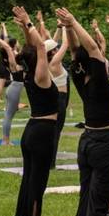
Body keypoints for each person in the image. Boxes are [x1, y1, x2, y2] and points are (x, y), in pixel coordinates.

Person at [56, 7, 109, 216]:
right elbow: (92, 48)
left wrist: (69, 28)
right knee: (99, 200)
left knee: (86, 196)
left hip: (88, 142)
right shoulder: (99, 80)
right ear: (94, 63)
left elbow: (77, 51)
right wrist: (72, 22)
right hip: (105, 144)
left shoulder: (78, 75)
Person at [12, 6, 58, 216]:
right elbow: (39, 46)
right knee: (38, 181)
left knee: (28, 179)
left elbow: (33, 47)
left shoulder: (29, 74)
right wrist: (29, 22)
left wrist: (24, 27)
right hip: (42, 132)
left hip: (31, 131)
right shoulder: (41, 76)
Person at [45, 27, 70, 167]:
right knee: (56, 132)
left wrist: (59, 28)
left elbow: (52, 42)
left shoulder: (48, 60)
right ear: (53, 52)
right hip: (60, 98)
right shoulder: (55, 62)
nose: (57, 49)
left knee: (53, 130)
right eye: (55, 49)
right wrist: (66, 27)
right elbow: (65, 44)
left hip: (56, 97)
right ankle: (51, 163)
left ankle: (49, 160)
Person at [0, 30, 23, 145]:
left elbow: (7, 46)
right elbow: (6, 46)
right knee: (8, 116)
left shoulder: (15, 55)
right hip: (15, 88)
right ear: (13, 46)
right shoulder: (12, 58)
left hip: (14, 88)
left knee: (9, 114)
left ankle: (6, 139)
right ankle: (5, 140)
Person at [0, 22, 11, 102]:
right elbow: (6, 37)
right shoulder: (5, 47)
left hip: (3, 65)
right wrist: (4, 27)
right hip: (4, 66)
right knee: (1, 83)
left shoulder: (1, 47)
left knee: (1, 83)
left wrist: (1, 29)